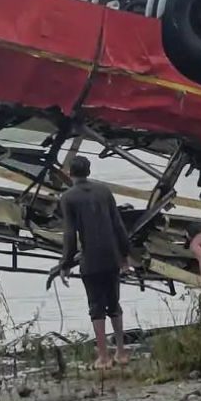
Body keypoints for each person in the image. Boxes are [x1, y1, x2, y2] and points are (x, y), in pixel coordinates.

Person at [58, 155, 132, 369]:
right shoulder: (104, 191)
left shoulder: (68, 197)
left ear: (70, 173)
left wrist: (66, 263)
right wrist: (125, 254)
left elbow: (70, 234)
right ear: (89, 172)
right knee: (114, 303)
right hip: (111, 257)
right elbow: (118, 224)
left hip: (90, 259)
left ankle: (103, 357)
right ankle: (120, 351)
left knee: (95, 306)